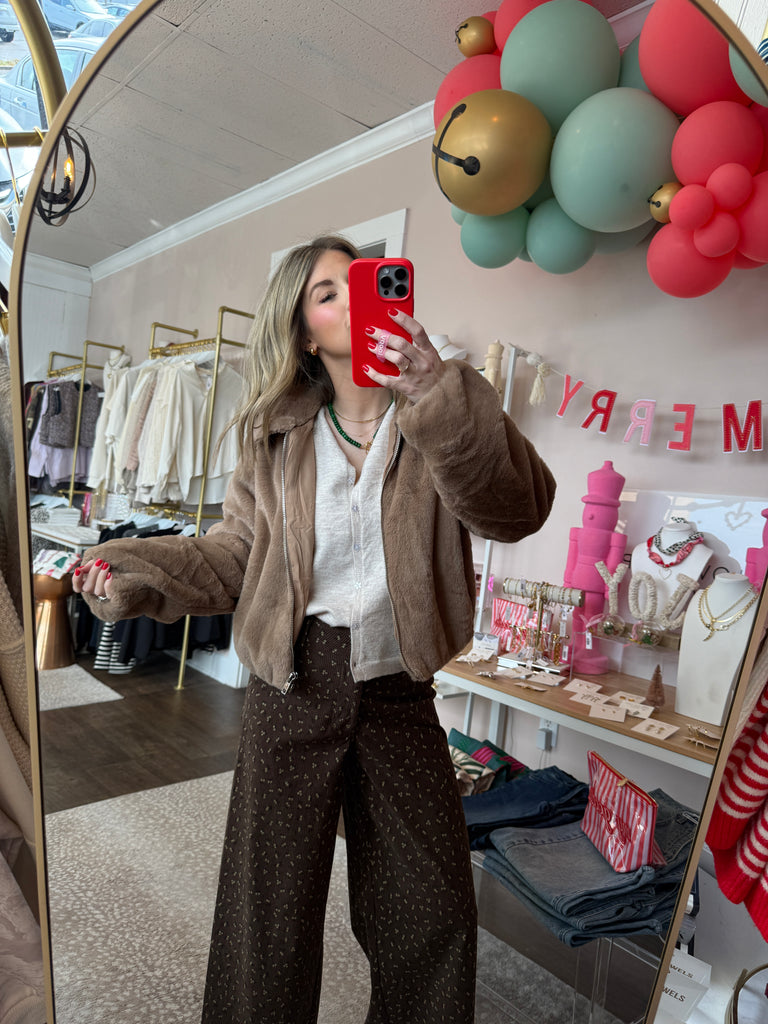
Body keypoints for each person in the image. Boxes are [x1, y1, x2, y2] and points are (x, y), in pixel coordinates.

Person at [73, 235, 556, 1024]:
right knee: (269, 916)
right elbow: (234, 556)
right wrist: (136, 571)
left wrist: (434, 393)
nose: (353, 301)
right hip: (293, 682)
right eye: (329, 293)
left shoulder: (445, 405)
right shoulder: (273, 436)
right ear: (302, 333)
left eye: (361, 282)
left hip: (400, 691)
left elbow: (518, 511)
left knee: (434, 913)